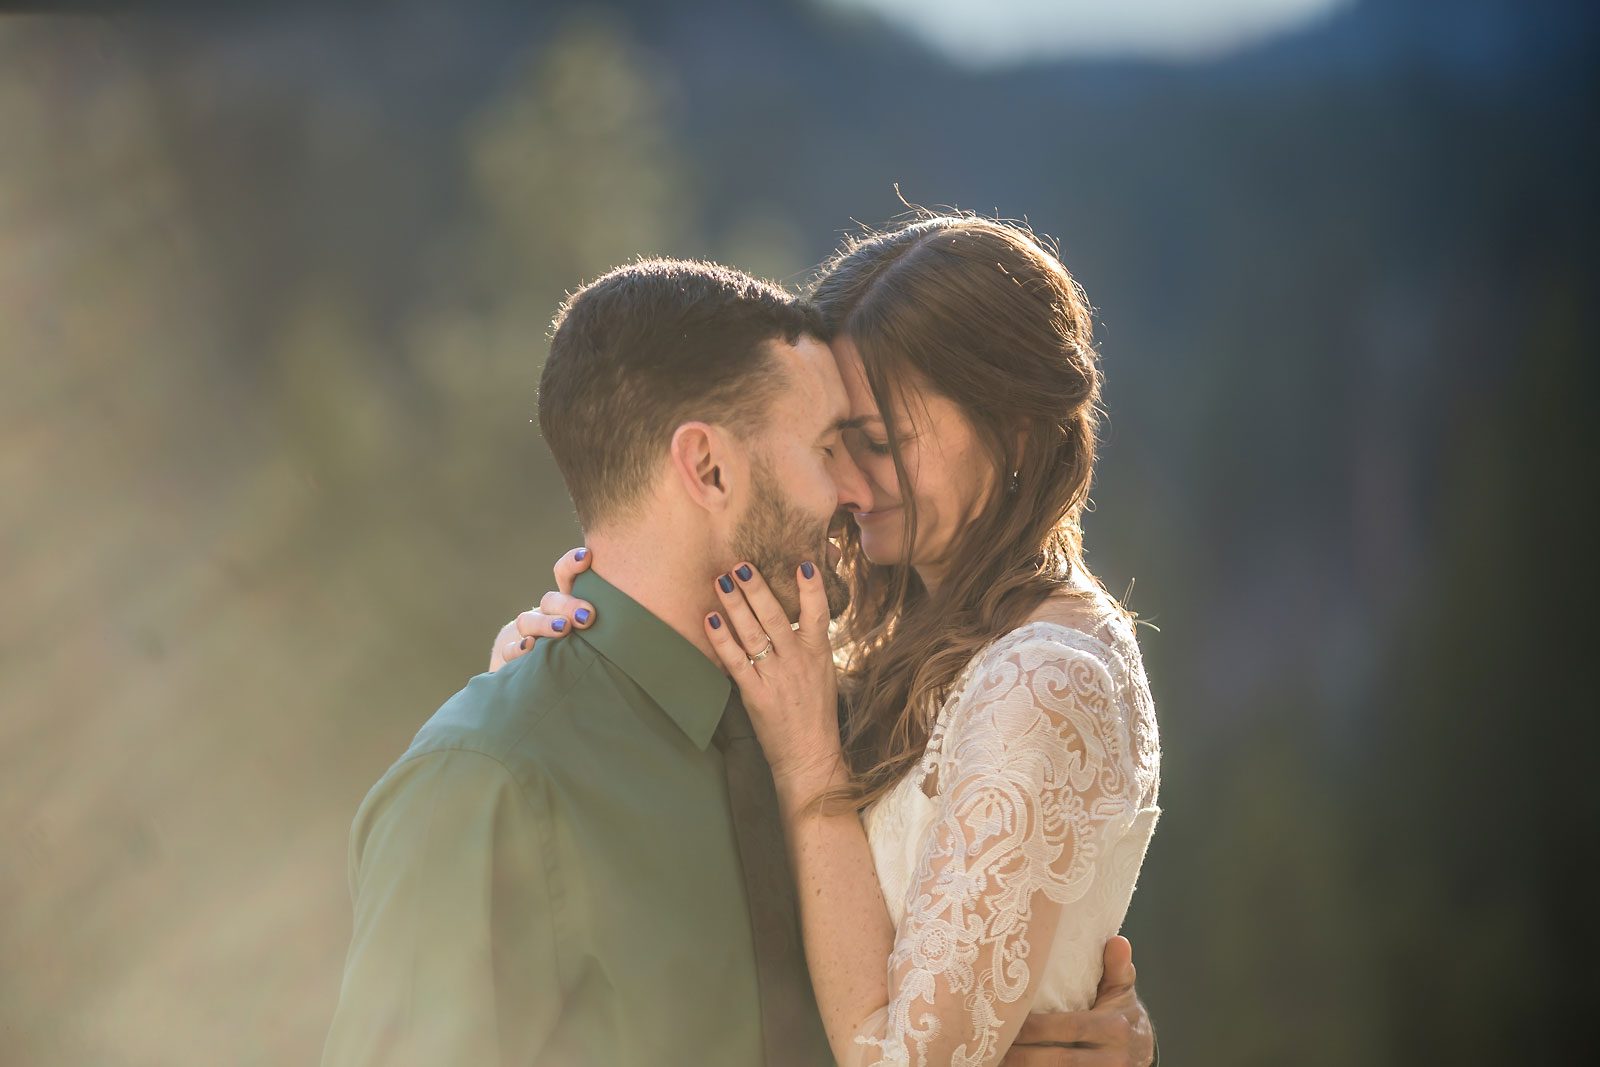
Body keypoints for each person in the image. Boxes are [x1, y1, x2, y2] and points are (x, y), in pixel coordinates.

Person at [325, 253, 1155, 1066]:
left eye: (871, 442)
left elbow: (958, 970)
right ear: (709, 468)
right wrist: (520, 715)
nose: (850, 492)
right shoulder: (486, 784)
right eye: (830, 446)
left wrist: (1070, 1003)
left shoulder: (826, 717)